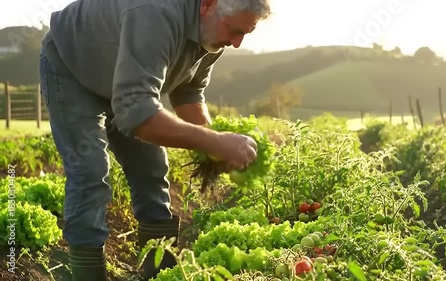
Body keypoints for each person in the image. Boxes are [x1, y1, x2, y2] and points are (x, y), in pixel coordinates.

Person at [38, 0, 272, 280]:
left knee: (151, 169)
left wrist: (215, 145)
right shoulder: (155, 13)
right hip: (73, 68)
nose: (236, 43)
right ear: (208, 5)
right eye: (234, 30)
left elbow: (188, 93)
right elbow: (136, 111)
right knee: (90, 173)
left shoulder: (214, 35)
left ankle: (158, 274)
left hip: (125, 82)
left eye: (245, 33)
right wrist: (215, 142)